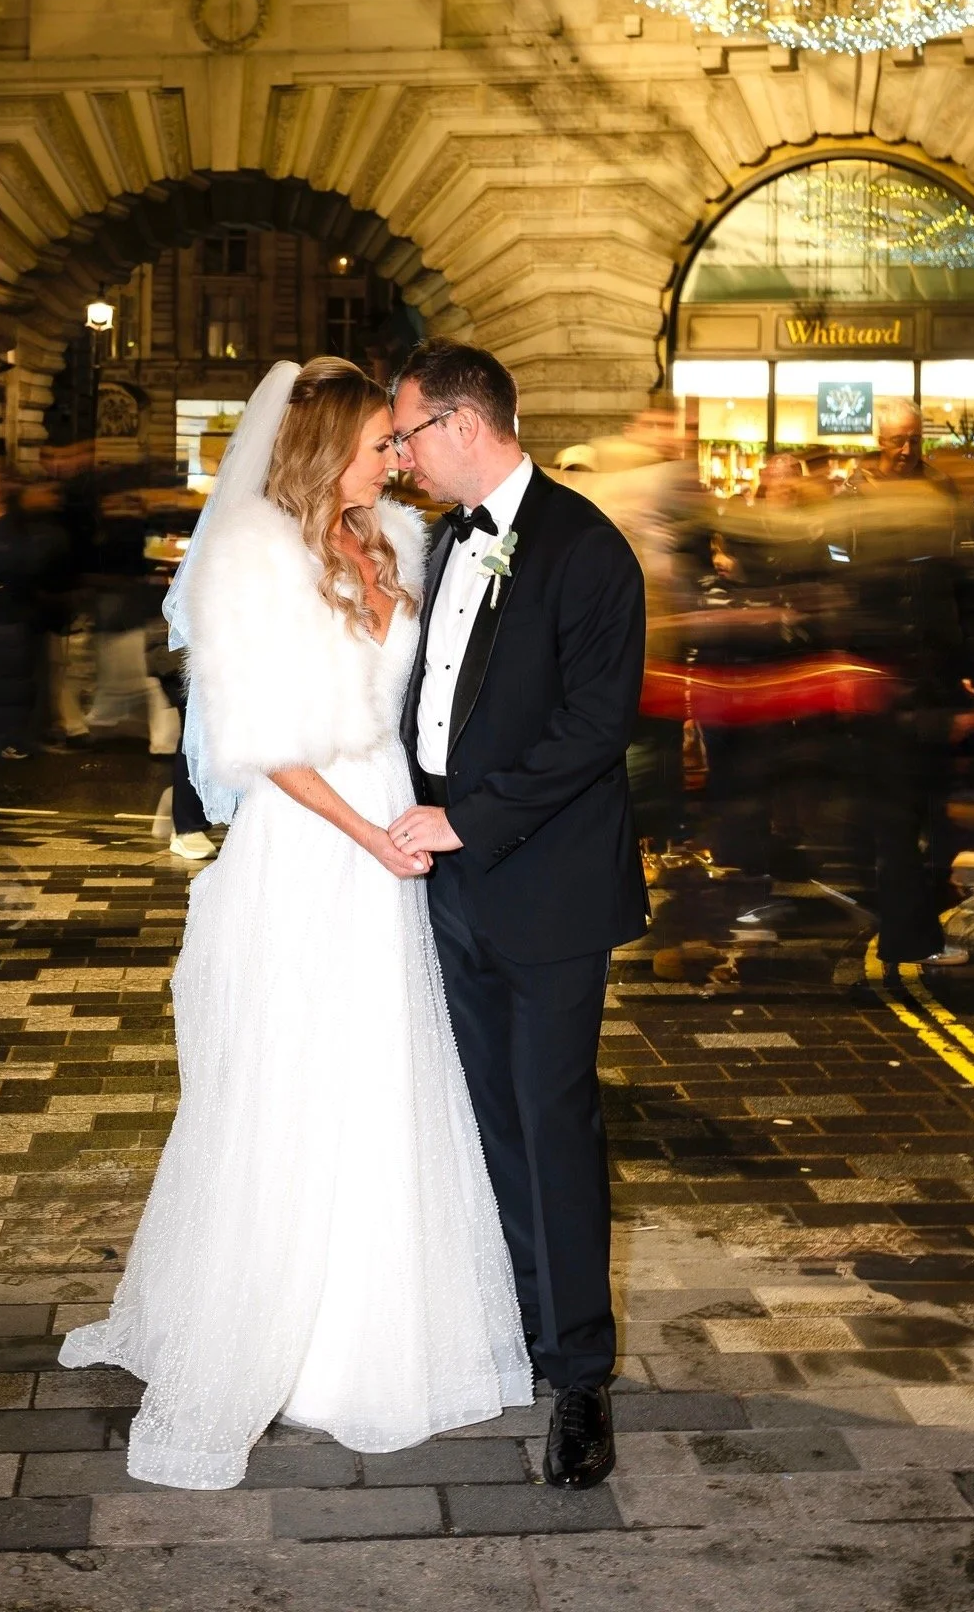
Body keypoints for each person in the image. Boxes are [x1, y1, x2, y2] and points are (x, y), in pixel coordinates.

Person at [60, 357, 530, 1488]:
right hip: (310, 839)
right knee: (293, 1083)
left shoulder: (404, 545)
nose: (400, 458)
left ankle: (378, 1337)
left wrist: (437, 817)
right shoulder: (249, 558)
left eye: (402, 441)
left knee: (389, 1075)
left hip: (395, 823)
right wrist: (371, 839)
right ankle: (271, 1337)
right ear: (327, 449)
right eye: (382, 443)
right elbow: (264, 746)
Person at [389, 341, 648, 1490]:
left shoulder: (587, 549)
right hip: (452, 885)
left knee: (553, 1127)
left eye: (404, 435)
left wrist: (467, 820)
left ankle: (582, 1378)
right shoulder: (446, 540)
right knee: (491, 1121)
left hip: (544, 885)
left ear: (461, 425)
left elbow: (594, 729)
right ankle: (525, 1329)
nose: (399, 456)